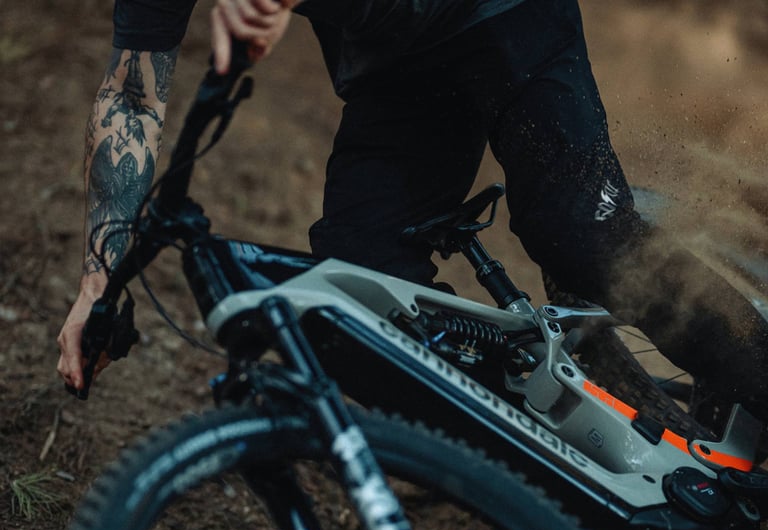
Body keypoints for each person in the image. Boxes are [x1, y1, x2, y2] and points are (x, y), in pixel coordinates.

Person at [57, 0, 768, 412]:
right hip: (394, 75)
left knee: (577, 231)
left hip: (505, 15)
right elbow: (130, 95)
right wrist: (99, 278)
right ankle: (555, 466)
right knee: (361, 307)